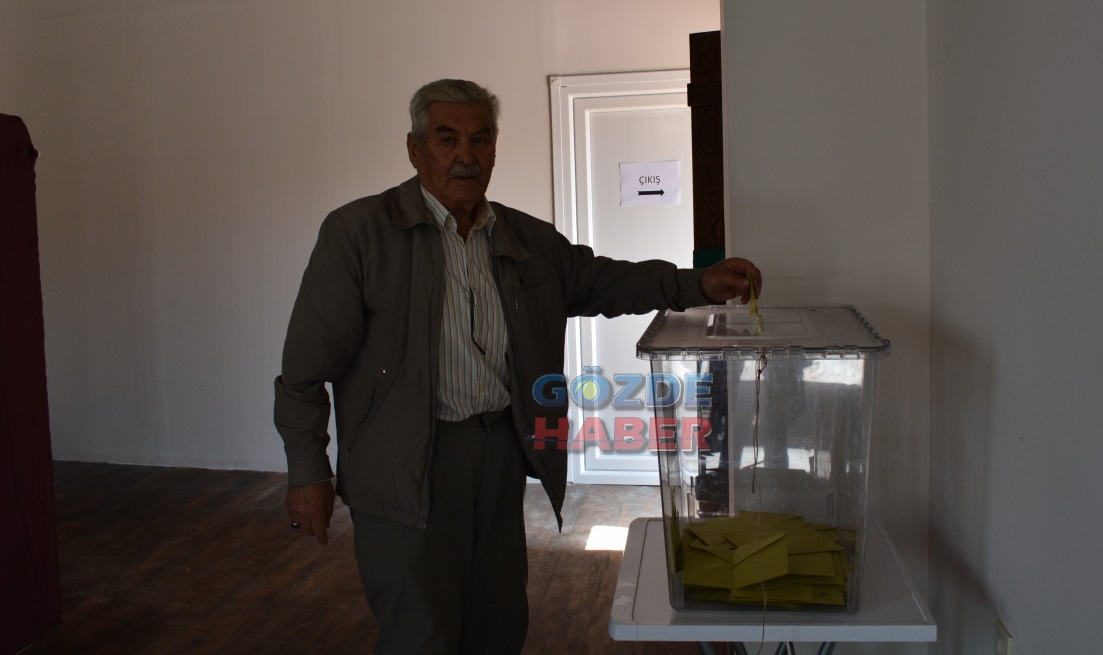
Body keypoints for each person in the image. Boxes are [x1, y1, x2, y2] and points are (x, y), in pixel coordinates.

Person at [274, 78, 761, 655]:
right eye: (447, 139)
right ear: (414, 149)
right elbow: (304, 370)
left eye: (480, 139)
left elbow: (604, 280)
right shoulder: (358, 233)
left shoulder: (524, 238)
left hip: (499, 451)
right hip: (400, 463)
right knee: (420, 630)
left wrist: (696, 283)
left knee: (499, 620)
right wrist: (308, 471)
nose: (466, 155)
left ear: (494, 149)